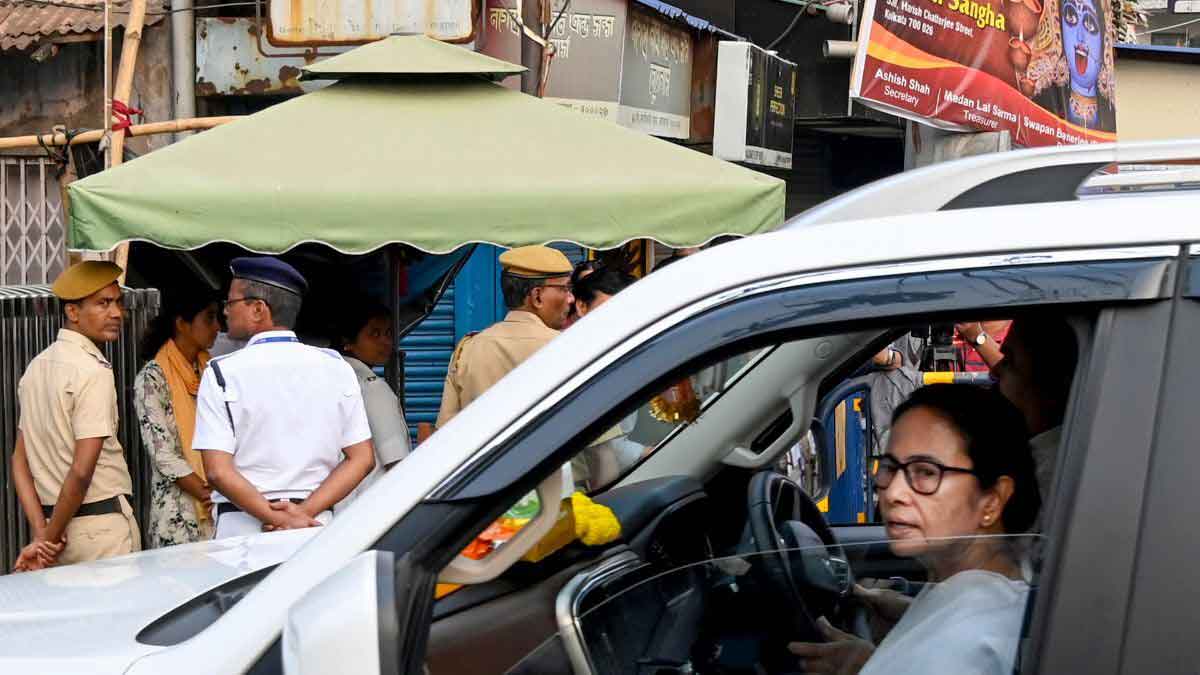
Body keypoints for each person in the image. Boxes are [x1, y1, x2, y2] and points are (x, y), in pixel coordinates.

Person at [789, 384, 1041, 675]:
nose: (893, 491)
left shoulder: (957, 652)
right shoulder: (991, 593)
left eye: (926, 472)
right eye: (889, 467)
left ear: (992, 501)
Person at [193, 257, 376, 538]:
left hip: (242, 529)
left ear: (258, 309)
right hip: (314, 526)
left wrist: (273, 517)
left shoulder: (221, 372)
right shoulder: (336, 367)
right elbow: (362, 459)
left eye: (230, 303)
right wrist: (303, 514)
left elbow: (217, 472)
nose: (225, 312)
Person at [11, 261, 140, 570]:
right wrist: (49, 541)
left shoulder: (35, 368)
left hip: (56, 530)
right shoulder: (92, 371)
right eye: (103, 303)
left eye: (118, 303)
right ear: (72, 312)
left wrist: (42, 535)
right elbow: (82, 471)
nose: (116, 313)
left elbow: (19, 463)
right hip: (99, 532)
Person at [435, 245, 574, 427]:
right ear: (537, 296)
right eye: (565, 289)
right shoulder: (569, 348)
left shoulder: (468, 349)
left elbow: (446, 431)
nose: (571, 298)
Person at [133, 286, 222, 547]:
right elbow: (163, 454)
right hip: (179, 514)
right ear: (182, 324)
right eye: (209, 318)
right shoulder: (152, 378)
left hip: (219, 507)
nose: (217, 326)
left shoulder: (213, 372)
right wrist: (208, 493)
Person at [991, 315, 1077, 509]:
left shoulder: (1047, 480)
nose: (993, 372)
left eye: (1009, 361)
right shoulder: (1066, 456)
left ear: (1049, 378)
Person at [332, 298, 411, 509]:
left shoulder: (330, 379)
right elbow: (397, 461)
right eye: (374, 334)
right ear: (348, 341)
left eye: (388, 333)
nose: (386, 342)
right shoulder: (373, 388)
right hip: (374, 504)